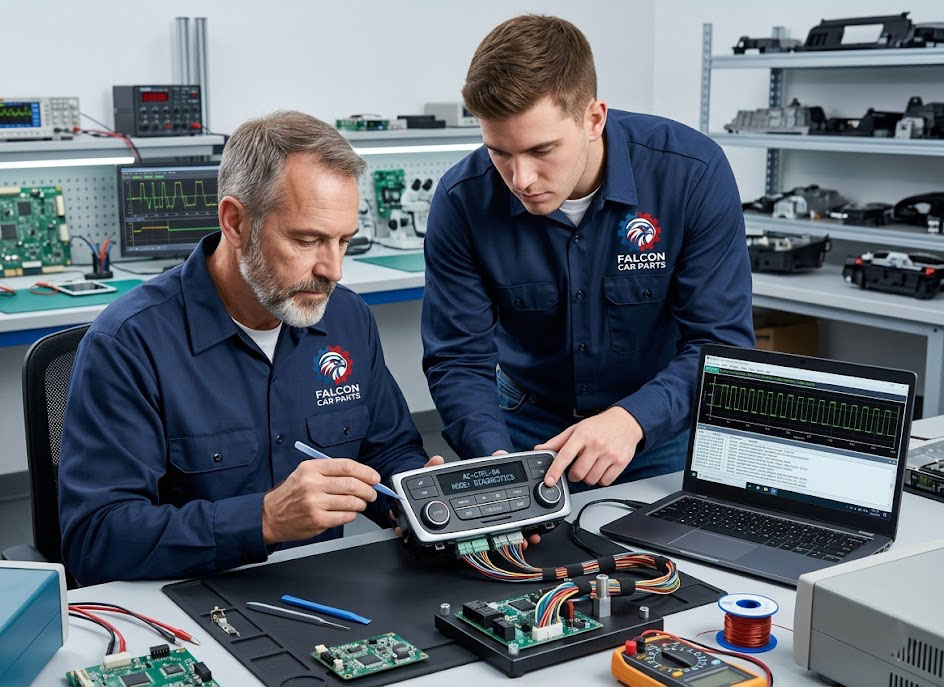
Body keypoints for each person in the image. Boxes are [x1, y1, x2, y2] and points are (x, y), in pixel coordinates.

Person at [59, 111, 440, 585]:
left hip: (324, 591)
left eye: (344, 241)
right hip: (185, 601)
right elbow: (96, 539)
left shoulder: (347, 318)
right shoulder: (128, 344)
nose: (334, 270)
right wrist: (264, 519)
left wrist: (417, 496)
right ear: (235, 222)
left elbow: (388, 449)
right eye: (308, 240)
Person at [422, 15, 754, 492]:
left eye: (541, 150)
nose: (521, 179)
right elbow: (458, 357)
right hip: (524, 429)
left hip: (658, 430)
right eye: (500, 153)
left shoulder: (691, 173)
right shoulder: (462, 199)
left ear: (594, 119)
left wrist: (632, 419)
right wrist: (493, 459)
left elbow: (720, 344)